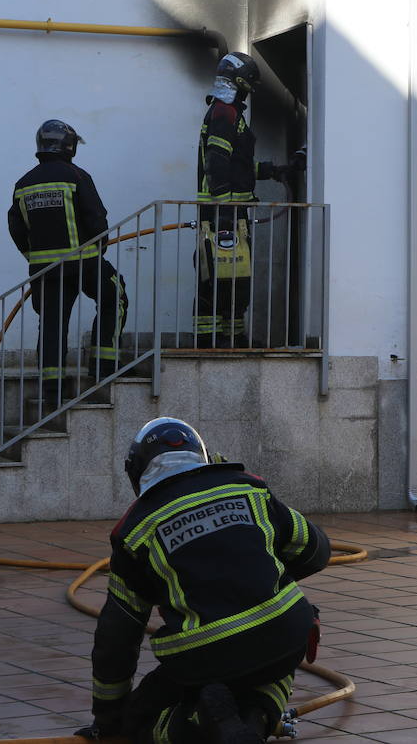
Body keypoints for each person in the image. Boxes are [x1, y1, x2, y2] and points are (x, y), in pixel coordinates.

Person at [86, 417, 330, 744]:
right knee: (278, 649)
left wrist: (109, 718)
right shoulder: (248, 487)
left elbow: (117, 636)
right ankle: (253, 722)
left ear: (137, 472)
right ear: (201, 455)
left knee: (138, 720)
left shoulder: (134, 532)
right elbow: (315, 550)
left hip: (203, 660)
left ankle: (201, 724)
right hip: (285, 637)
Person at [8, 119, 128, 411]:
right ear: (69, 146)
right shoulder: (76, 176)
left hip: (46, 271)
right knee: (115, 297)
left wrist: (34, 258)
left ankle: (52, 389)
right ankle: (103, 367)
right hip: (84, 263)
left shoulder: (24, 183)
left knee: (52, 324)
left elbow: (15, 227)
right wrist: (99, 248)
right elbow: (96, 218)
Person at [194, 52, 305, 349]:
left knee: (235, 279)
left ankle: (231, 337)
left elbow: (236, 166)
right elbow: (217, 161)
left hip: (229, 212)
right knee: (217, 279)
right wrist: (225, 206)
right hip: (223, 214)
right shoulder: (224, 113)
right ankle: (209, 340)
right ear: (241, 82)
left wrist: (273, 171)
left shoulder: (228, 113)